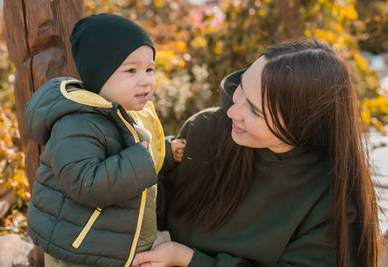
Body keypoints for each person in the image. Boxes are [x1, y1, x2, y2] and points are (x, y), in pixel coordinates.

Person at [133, 39, 380, 267]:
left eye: (254, 110)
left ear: (303, 125)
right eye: (240, 90)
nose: (232, 112)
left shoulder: (332, 196)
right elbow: (153, 209)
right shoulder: (206, 129)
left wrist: (187, 259)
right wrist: (140, 164)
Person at [24, 13, 184, 266]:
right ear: (100, 75)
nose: (146, 80)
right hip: (79, 249)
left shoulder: (125, 112)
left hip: (109, 243)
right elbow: (84, 181)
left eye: (149, 69)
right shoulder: (77, 122)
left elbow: (130, 154)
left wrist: (163, 150)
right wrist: (140, 161)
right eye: (131, 70)